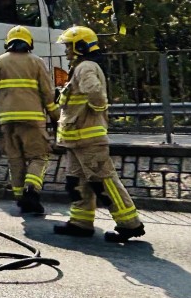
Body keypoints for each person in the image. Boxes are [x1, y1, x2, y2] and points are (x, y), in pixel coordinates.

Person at [52, 25, 145, 243]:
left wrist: (97, 110)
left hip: (87, 139)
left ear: (81, 46)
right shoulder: (80, 67)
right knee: (77, 183)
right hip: (76, 140)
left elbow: (95, 93)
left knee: (104, 183)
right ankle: (80, 223)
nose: (66, 50)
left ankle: (130, 224)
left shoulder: (85, 67)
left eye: (69, 46)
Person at [0, 26, 59, 215]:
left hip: (7, 120)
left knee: (15, 159)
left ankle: (20, 199)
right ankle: (31, 190)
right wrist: (55, 116)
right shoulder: (36, 62)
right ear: (29, 43)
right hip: (32, 119)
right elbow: (47, 92)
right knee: (39, 156)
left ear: (7, 43)